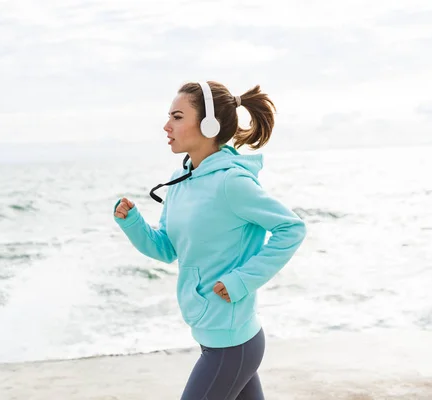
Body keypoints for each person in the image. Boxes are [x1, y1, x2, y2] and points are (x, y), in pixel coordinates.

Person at [113, 80, 306, 400]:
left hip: (232, 343)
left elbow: (291, 229)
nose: (166, 126)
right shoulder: (180, 180)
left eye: (176, 117)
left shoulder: (232, 182)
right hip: (213, 333)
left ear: (209, 124)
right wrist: (132, 223)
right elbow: (165, 249)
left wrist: (241, 280)